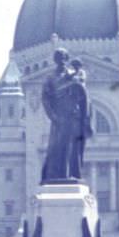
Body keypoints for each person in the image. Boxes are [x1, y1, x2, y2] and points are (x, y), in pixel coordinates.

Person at [40, 48, 92, 183]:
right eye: (58, 57)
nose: (61, 60)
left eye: (63, 57)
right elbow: (45, 99)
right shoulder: (50, 78)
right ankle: (57, 176)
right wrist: (53, 117)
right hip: (59, 118)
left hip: (73, 117)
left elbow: (83, 96)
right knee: (57, 148)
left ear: (67, 59)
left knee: (73, 148)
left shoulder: (75, 75)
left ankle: (72, 174)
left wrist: (85, 119)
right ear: (55, 60)